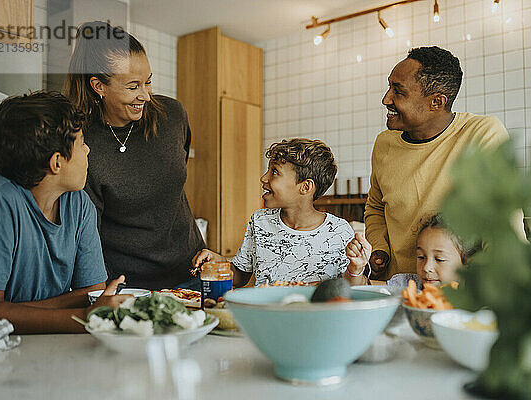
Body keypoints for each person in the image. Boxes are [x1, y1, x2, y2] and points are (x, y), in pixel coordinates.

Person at [63, 22, 205, 290]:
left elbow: (174, 174)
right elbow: (88, 229)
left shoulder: (173, 116)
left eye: (148, 82)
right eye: (133, 86)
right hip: (129, 287)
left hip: (191, 273)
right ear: (98, 86)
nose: (146, 96)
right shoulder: (80, 142)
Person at [0, 92, 128, 334]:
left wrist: (17, 310)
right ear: (56, 162)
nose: (88, 150)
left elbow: (92, 294)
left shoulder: (79, 204)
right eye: (81, 143)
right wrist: (83, 316)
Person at [364, 46, 509, 280]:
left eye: (398, 92)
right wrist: (379, 248)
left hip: (459, 292)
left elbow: (503, 220)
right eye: (389, 86)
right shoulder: (384, 143)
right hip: (397, 286)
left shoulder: (481, 134)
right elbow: (376, 207)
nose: (386, 99)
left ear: (436, 102)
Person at [192, 138, 355, 286]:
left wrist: (357, 268)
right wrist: (217, 262)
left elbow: (356, 286)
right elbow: (240, 276)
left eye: (275, 172)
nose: (264, 178)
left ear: (305, 187)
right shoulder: (260, 221)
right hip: (266, 316)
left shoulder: (339, 231)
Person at [345, 214, 475, 287]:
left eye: (439, 259)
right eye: (421, 257)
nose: (427, 267)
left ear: (465, 261)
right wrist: (355, 268)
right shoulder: (408, 284)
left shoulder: (476, 297)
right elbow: (362, 286)